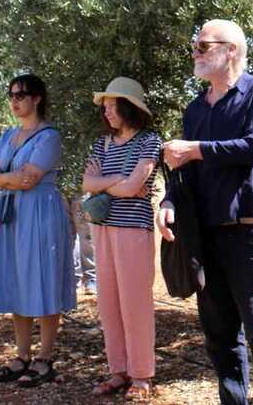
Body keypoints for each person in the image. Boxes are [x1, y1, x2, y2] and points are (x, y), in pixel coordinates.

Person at [157, 19, 253, 405]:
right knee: (220, 339)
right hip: (206, 237)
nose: (195, 53)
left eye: (203, 46)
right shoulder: (196, 109)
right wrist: (169, 202)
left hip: (252, 236)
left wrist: (195, 148)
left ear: (230, 49)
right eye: (195, 46)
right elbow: (185, 174)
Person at [0, 73, 74, 387]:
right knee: (15, 278)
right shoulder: (8, 135)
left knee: (44, 278)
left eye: (20, 95)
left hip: (40, 213)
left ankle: (45, 358)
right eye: (11, 95)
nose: (14, 101)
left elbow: (31, 178)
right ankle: (21, 355)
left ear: (37, 98)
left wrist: (3, 179)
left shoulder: (50, 136)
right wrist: (9, 179)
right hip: (12, 214)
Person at [85, 77, 162, 401]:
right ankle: (118, 371)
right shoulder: (100, 144)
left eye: (112, 106)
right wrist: (119, 180)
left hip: (133, 231)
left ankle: (141, 375)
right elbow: (87, 182)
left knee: (135, 305)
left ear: (128, 107)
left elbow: (134, 189)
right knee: (109, 303)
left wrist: (107, 183)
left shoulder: (150, 141)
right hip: (102, 228)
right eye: (105, 107)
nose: (107, 112)